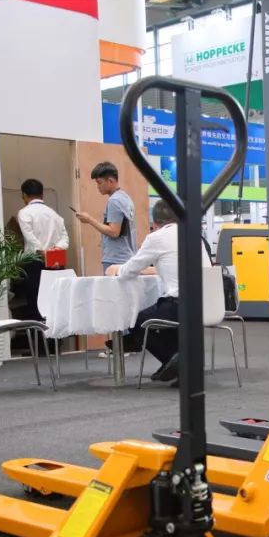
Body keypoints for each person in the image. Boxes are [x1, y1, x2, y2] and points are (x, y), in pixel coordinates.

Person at [105, 200, 209, 384]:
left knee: (136, 320)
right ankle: (174, 363)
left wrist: (116, 269)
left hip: (180, 305)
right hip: (207, 304)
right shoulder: (193, 236)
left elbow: (130, 269)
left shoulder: (157, 238)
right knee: (160, 314)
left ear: (154, 223)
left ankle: (175, 361)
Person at [16, 179, 68, 322]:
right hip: (56, 261)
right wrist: (55, 250)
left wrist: (43, 252)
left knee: (35, 301)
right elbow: (65, 239)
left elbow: (30, 238)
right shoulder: (54, 214)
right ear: (42, 194)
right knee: (54, 301)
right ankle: (54, 335)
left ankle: (38, 335)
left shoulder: (24, 213)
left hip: (35, 263)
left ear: (24, 195)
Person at [76, 162, 136, 273]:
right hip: (126, 257)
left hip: (116, 259)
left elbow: (114, 232)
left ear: (110, 181)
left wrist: (89, 220)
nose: (98, 187)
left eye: (100, 183)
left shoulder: (114, 201)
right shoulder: (125, 198)